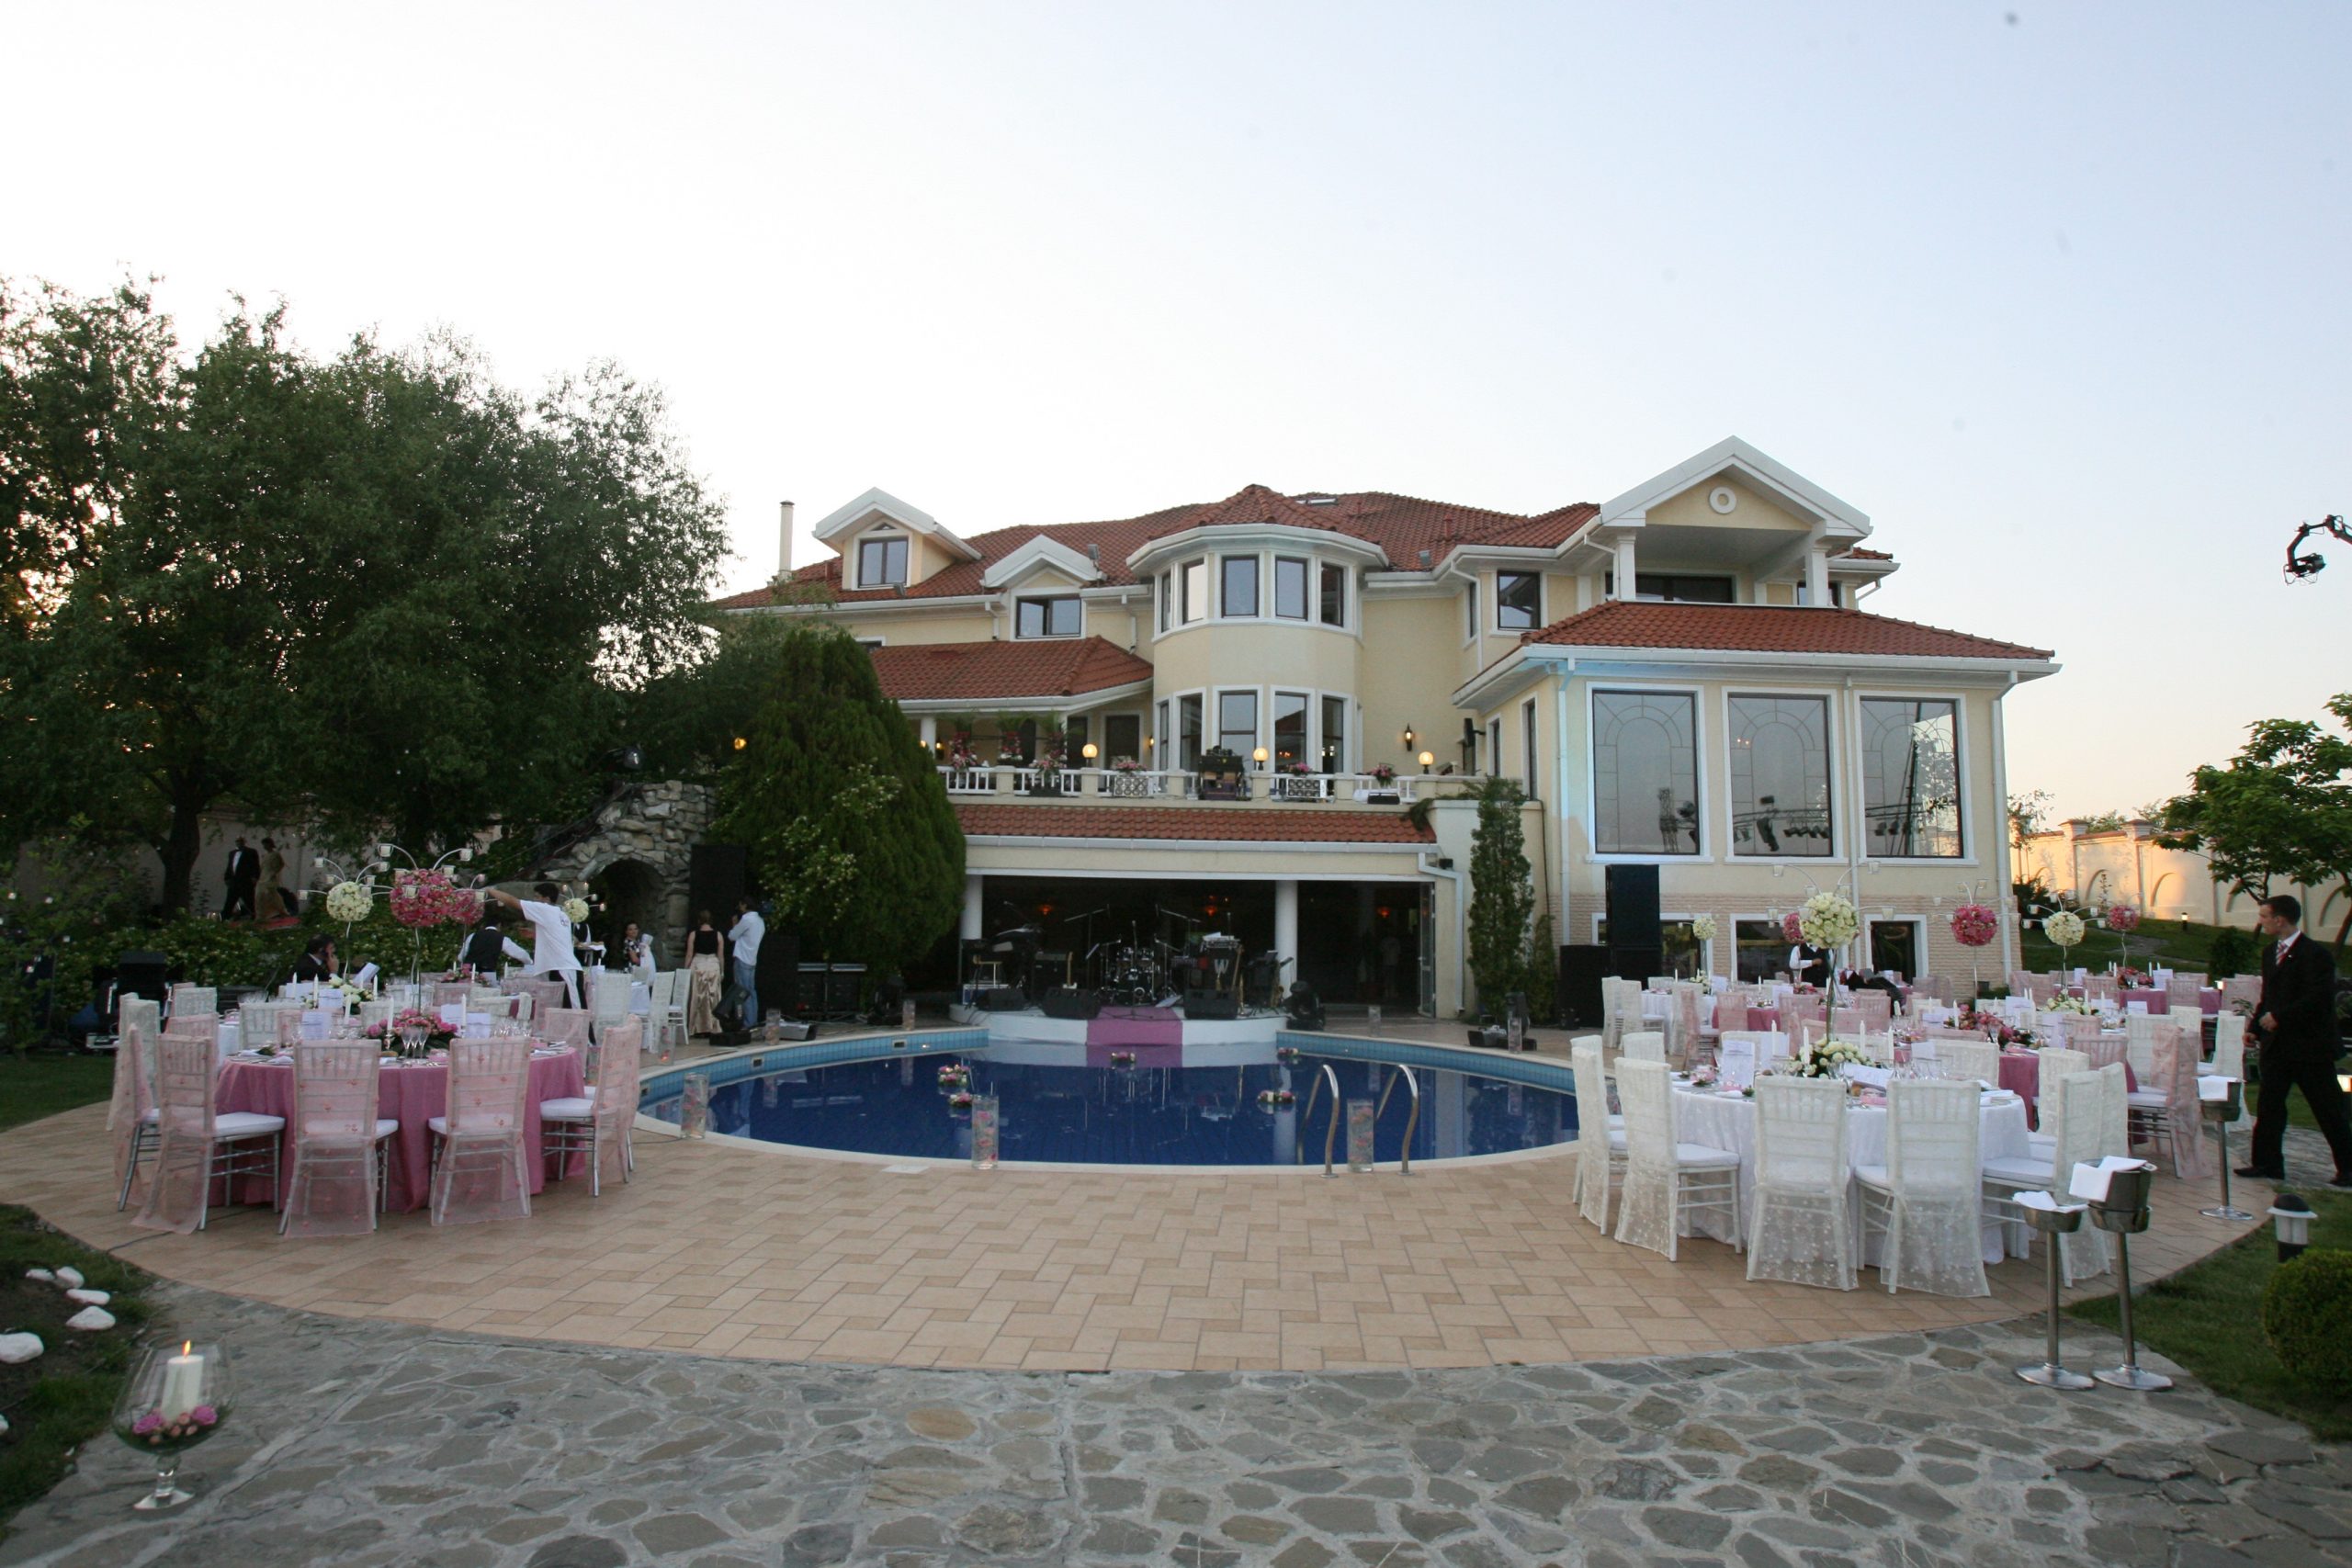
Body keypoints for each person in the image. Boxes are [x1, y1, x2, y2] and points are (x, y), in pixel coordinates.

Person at [2238, 894, 2352, 1189]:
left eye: (2264, 916)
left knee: (2328, 1109)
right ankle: (2267, 1163)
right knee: (2270, 1105)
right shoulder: (2270, 953)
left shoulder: (2315, 954)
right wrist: (2256, 1027)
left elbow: (2318, 998)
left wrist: (2281, 1017)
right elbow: (2269, 996)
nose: (2260, 921)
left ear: (2280, 920)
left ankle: (2348, 1168)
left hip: (2310, 1047)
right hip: (2278, 1046)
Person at [487, 882, 584, 1008]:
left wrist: (490, 890)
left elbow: (512, 901)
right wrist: (534, 935)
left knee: (575, 1012)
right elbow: (556, 938)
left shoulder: (544, 909)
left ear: (546, 899)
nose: (534, 900)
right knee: (559, 1011)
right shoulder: (561, 914)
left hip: (564, 968)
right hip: (559, 967)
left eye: (537, 897)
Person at [684, 909, 725, 1037]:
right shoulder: (718, 935)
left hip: (699, 965)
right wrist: (722, 970)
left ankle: (697, 1027)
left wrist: (685, 969)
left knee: (697, 997)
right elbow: (721, 955)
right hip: (713, 965)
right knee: (713, 997)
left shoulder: (693, 934)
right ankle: (713, 1026)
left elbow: (689, 954)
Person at [458, 908, 527, 980]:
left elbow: (461, 956)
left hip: (469, 973)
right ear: (499, 925)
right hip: (488, 973)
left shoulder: (473, 936)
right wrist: (529, 962)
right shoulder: (501, 938)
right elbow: (519, 953)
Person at [729, 897, 765, 1032]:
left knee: (743, 991)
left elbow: (732, 936)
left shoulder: (746, 919)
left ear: (745, 905)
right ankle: (753, 1020)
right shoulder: (760, 921)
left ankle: (748, 1022)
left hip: (742, 958)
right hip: (752, 958)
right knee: (751, 991)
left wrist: (734, 924)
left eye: (741, 905)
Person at [222, 836, 259, 921]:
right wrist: (227, 878)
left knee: (249, 900)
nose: (239, 843)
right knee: (230, 901)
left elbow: (255, 865)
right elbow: (230, 866)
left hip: (245, 881)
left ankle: (255, 916)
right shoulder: (232, 853)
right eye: (237, 841)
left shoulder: (251, 852)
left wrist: (255, 877)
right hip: (234, 881)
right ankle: (224, 918)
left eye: (241, 841)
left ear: (244, 842)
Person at [254, 838, 288, 923]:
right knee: (260, 896)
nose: (264, 846)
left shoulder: (276, 854)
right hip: (262, 878)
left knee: (271, 895)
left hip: (270, 878)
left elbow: (281, 864)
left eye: (266, 844)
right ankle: (260, 916)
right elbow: (262, 867)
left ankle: (281, 910)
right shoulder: (265, 855)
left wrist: (273, 873)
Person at [619, 921, 656, 986]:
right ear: (626, 932)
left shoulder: (637, 941)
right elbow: (634, 959)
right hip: (631, 971)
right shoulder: (629, 942)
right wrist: (646, 962)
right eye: (630, 929)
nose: (634, 931)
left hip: (638, 970)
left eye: (635, 929)